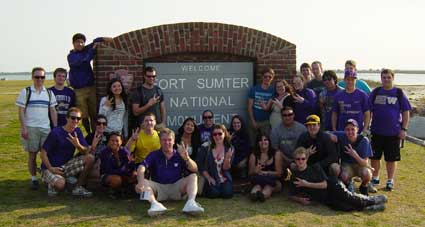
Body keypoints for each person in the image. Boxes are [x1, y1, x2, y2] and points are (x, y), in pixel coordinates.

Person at [289, 147, 388, 211]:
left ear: (306, 159)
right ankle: (370, 207)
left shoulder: (315, 167)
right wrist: (299, 200)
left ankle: (373, 200)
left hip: (332, 186)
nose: (300, 161)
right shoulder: (295, 176)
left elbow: (325, 184)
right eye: (298, 159)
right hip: (324, 198)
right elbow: (291, 195)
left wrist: (306, 184)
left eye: (303, 158)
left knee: (349, 198)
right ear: (295, 160)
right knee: (344, 207)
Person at [135, 128, 204, 216]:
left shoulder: (179, 154)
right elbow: (141, 168)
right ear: (160, 141)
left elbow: (195, 169)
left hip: (176, 187)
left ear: (174, 141)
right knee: (143, 182)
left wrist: (187, 158)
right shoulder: (154, 154)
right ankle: (154, 205)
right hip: (158, 188)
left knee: (193, 176)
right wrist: (140, 183)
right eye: (164, 140)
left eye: (169, 140)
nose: (167, 142)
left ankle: (191, 203)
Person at [369, 69, 412, 191]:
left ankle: (389, 180)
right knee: (374, 157)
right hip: (376, 131)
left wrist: (404, 129)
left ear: (393, 78)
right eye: (384, 77)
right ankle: (375, 178)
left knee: (391, 159)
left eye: (388, 77)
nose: (386, 79)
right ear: (381, 78)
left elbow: (406, 112)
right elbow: (368, 110)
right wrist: (366, 126)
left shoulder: (399, 93)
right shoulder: (376, 92)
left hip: (394, 133)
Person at [16, 67, 58, 190]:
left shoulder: (49, 93)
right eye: (37, 77)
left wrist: (55, 128)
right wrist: (24, 128)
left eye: (42, 77)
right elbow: (21, 112)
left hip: (46, 128)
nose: (40, 79)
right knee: (32, 155)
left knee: (47, 155)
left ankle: (47, 177)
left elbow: (53, 110)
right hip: (31, 128)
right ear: (32, 77)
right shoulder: (26, 91)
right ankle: (34, 178)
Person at [40, 107, 94, 197]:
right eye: (73, 118)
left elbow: (86, 152)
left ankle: (78, 187)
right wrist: (50, 168)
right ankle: (50, 182)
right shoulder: (56, 132)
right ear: (67, 118)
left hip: (65, 166)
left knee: (90, 158)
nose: (75, 120)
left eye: (78, 118)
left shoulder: (77, 131)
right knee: (61, 185)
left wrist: (78, 145)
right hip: (50, 167)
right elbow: (43, 153)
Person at [67, 33, 113, 134]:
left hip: (91, 88)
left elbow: (97, 40)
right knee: (83, 115)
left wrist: (113, 40)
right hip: (79, 90)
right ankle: (88, 133)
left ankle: (95, 134)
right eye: (77, 42)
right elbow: (85, 61)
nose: (80, 44)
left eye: (82, 42)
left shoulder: (86, 49)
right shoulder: (71, 56)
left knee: (93, 113)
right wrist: (92, 50)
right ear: (73, 43)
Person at [333, 119, 374, 195]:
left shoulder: (364, 141)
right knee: (344, 176)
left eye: (353, 129)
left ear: (357, 130)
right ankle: (349, 183)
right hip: (347, 164)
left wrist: (355, 155)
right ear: (344, 130)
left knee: (367, 174)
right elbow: (327, 133)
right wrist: (332, 137)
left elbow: (365, 163)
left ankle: (364, 186)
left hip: (360, 165)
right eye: (347, 129)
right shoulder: (341, 136)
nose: (350, 132)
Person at [197, 124, 234, 199]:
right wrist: (208, 177)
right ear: (212, 135)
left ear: (224, 134)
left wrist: (227, 159)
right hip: (211, 176)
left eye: (220, 134)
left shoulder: (230, 148)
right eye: (214, 134)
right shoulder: (206, 147)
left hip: (224, 178)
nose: (217, 136)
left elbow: (226, 168)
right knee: (213, 193)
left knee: (227, 194)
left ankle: (221, 188)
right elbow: (200, 165)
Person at [99, 132, 136, 198]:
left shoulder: (124, 151)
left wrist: (131, 162)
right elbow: (108, 170)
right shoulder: (104, 153)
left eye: (117, 141)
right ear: (108, 142)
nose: (114, 143)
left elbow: (131, 167)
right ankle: (112, 191)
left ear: (121, 142)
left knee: (135, 174)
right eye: (112, 140)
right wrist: (124, 172)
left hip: (122, 173)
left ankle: (127, 190)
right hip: (107, 175)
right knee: (116, 179)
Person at [248, 133, 282, 202]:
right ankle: (254, 195)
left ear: (269, 141)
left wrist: (266, 172)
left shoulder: (276, 153)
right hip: (258, 180)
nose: (263, 142)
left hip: (272, 181)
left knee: (268, 187)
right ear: (257, 143)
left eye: (265, 139)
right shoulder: (253, 154)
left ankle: (262, 196)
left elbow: (279, 173)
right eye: (260, 140)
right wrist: (255, 170)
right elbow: (250, 173)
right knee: (257, 186)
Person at [130, 66, 166, 130]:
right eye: (149, 76)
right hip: (144, 127)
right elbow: (135, 112)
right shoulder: (138, 92)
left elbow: (162, 109)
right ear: (144, 76)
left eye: (153, 76)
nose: (151, 78)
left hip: (158, 126)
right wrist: (148, 104)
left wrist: (163, 122)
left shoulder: (158, 90)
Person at [247, 67, 275, 144]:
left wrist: (265, 107)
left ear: (272, 78)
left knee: (266, 143)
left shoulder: (273, 90)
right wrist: (253, 121)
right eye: (265, 76)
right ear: (262, 77)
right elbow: (249, 107)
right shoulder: (254, 89)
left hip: (266, 122)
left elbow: (268, 108)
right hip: (254, 120)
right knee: (253, 143)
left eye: (270, 77)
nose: (267, 78)